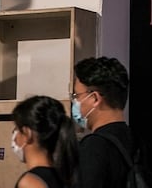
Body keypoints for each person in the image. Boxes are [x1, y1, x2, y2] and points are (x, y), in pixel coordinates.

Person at [72, 57, 134, 188]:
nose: (75, 103)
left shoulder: (94, 146)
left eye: (77, 96)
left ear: (94, 98)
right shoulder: (136, 141)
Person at [11, 95, 79, 188]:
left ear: (28, 134)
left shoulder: (31, 182)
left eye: (17, 129)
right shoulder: (64, 178)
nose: (15, 136)